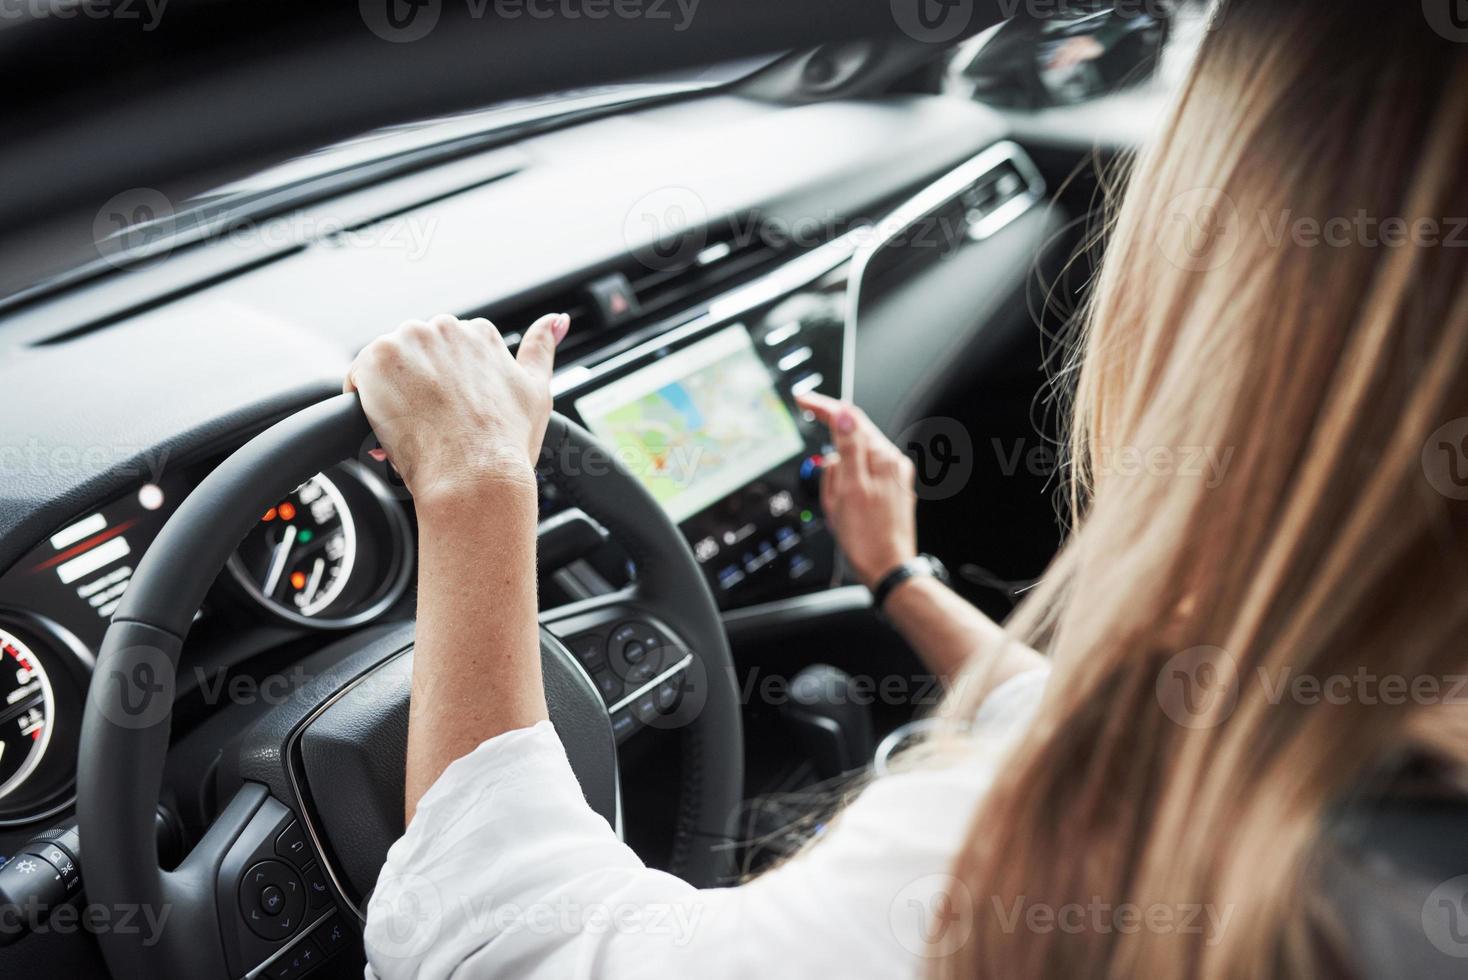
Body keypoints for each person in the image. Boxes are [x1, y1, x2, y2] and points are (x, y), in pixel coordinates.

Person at [353, 2, 1468, 976]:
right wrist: (897, 572)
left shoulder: (1046, 857)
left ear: (1241, 307)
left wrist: (477, 481)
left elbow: (501, 938)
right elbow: (1099, 723)